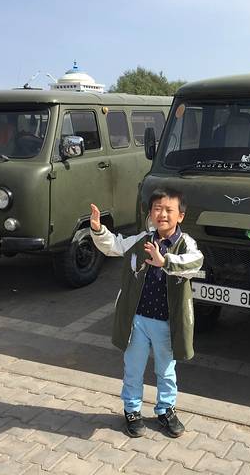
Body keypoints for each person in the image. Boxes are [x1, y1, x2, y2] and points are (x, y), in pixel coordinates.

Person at [89, 187, 203, 438]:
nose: (162, 214)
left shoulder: (186, 244)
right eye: (157, 209)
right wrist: (98, 229)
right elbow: (115, 245)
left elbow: (196, 262)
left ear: (181, 216)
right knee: (133, 368)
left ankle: (166, 410)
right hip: (138, 320)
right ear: (150, 213)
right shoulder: (143, 239)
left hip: (166, 322)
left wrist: (165, 262)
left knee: (166, 371)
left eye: (169, 210)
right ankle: (132, 411)